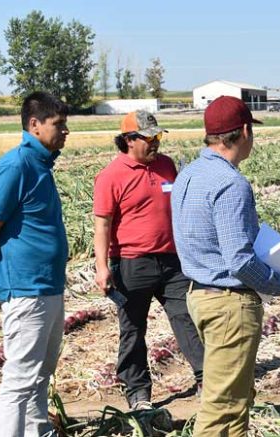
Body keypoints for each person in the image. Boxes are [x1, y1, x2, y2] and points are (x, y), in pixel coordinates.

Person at [171, 96, 280, 436]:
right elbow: (239, 260)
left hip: (199, 295)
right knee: (222, 407)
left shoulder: (188, 174)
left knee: (235, 401)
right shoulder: (231, 184)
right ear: (244, 131)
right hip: (229, 303)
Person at [93, 111, 205, 410]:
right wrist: (102, 267)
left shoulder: (166, 165)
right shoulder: (111, 176)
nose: (156, 143)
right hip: (131, 264)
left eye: (158, 137)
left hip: (172, 261)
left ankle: (206, 379)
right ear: (129, 140)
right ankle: (138, 393)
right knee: (132, 329)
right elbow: (102, 225)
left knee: (188, 319)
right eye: (149, 137)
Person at [0, 91, 69, 437]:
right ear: (34, 124)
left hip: (48, 285)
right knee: (20, 378)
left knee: (40, 373)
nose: (65, 131)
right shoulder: (16, 166)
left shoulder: (40, 165)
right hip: (26, 289)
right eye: (58, 124)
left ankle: (37, 432)